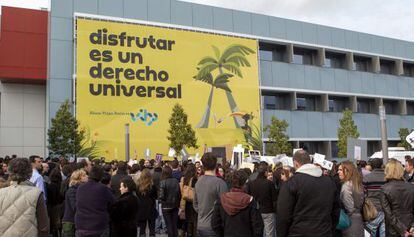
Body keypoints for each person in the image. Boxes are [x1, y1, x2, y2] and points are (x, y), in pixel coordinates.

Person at [277, 150, 340, 237]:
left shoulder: (291, 183)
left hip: (298, 232)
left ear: (295, 164)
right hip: (324, 232)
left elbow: (283, 217)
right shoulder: (329, 182)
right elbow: (336, 211)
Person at [0, 158, 49, 236]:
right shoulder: (37, 193)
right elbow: (43, 226)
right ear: (29, 172)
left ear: (10, 172)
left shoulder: (1, 192)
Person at [212, 169, 264, 237]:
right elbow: (257, 226)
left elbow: (215, 223)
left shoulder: (221, 200)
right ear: (245, 183)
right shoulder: (250, 201)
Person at [194, 153, 228, 237]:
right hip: (214, 227)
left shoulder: (198, 182)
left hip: (201, 224)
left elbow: (195, 204)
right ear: (215, 165)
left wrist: (202, 211)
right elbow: (225, 206)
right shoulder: (220, 183)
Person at [75, 165, 115, 237]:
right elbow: (113, 202)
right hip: (99, 225)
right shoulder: (103, 188)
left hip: (82, 224)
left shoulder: (80, 188)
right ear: (100, 176)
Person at [381, 159, 414, 237]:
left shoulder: (385, 188)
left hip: (394, 229)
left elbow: (388, 213)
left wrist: (402, 230)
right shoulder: (411, 187)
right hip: (409, 226)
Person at [246, 163, 277, 237]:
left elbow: (248, 197)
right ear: (266, 172)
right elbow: (274, 199)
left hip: (255, 210)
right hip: (268, 211)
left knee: (257, 232)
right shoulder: (270, 183)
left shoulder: (251, 183)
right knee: (269, 233)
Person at [338, 161, 364, 237]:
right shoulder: (356, 183)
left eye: (340, 170)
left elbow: (349, 207)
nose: (338, 172)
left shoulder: (346, 186)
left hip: (350, 220)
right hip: (358, 218)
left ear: (347, 171)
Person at [363, 158, 386, 237]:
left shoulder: (367, 178)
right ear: (381, 166)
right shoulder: (387, 177)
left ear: (371, 166)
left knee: (371, 232)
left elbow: (364, 194)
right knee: (384, 233)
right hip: (385, 209)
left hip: (372, 210)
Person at [62, 169, 88, 237]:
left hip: (79, 221)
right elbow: (75, 207)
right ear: (78, 178)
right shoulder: (72, 190)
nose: (87, 176)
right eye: (84, 175)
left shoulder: (82, 189)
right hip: (70, 222)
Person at [159, 165, 181, 237]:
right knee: (174, 224)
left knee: (169, 225)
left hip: (166, 206)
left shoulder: (163, 182)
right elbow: (179, 193)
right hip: (175, 205)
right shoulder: (175, 181)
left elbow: (161, 196)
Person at [136, 168, 158, 237]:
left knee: (142, 230)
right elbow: (156, 196)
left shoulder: (138, 185)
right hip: (151, 208)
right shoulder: (152, 186)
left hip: (141, 209)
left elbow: (137, 195)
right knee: (152, 230)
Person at [180, 163, 198, 237]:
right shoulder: (195, 179)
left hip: (185, 202)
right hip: (193, 203)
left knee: (186, 221)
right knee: (193, 222)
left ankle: (186, 233)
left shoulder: (183, 178)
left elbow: (181, 191)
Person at [47, 167, 64, 237]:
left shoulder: (50, 186)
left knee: (53, 225)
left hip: (52, 207)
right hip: (60, 206)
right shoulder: (61, 184)